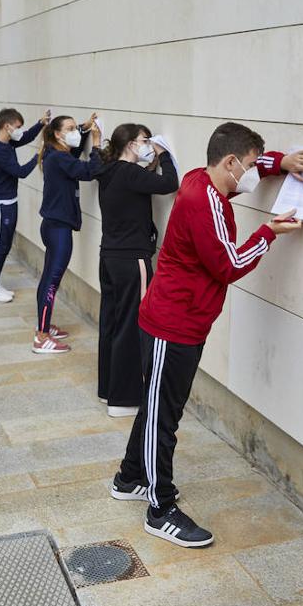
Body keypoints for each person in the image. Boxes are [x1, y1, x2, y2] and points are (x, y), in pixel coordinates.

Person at [110, 122, 303, 547]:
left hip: (178, 319)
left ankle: (130, 477)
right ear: (228, 163)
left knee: (156, 406)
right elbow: (229, 264)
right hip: (174, 324)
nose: (251, 174)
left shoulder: (200, 180)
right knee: (162, 420)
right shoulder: (205, 202)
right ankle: (159, 507)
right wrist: (268, 233)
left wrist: (281, 162)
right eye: (248, 166)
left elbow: (251, 168)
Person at [93, 123, 178, 416]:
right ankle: (124, 400)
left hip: (110, 258)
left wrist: (151, 160)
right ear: (130, 144)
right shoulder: (130, 173)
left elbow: (141, 185)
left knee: (111, 323)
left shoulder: (109, 171)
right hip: (133, 261)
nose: (147, 144)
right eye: (145, 140)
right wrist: (163, 154)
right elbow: (169, 183)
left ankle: (108, 391)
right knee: (133, 326)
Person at [31, 113, 102, 354]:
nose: (74, 132)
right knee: (52, 281)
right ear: (58, 134)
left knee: (48, 279)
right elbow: (90, 170)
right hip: (58, 230)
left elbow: (73, 154)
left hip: (53, 226)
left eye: (75, 128)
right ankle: (41, 337)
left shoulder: (54, 153)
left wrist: (82, 131)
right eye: (69, 129)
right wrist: (97, 142)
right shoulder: (59, 158)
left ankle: (44, 326)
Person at [0, 107, 49, 303]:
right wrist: (39, 155)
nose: (20, 130)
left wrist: (41, 123)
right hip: (0, 204)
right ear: (7, 126)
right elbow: (20, 172)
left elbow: (26, 137)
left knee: (5, 245)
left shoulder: (6, 141)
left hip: (9, 202)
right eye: (18, 127)